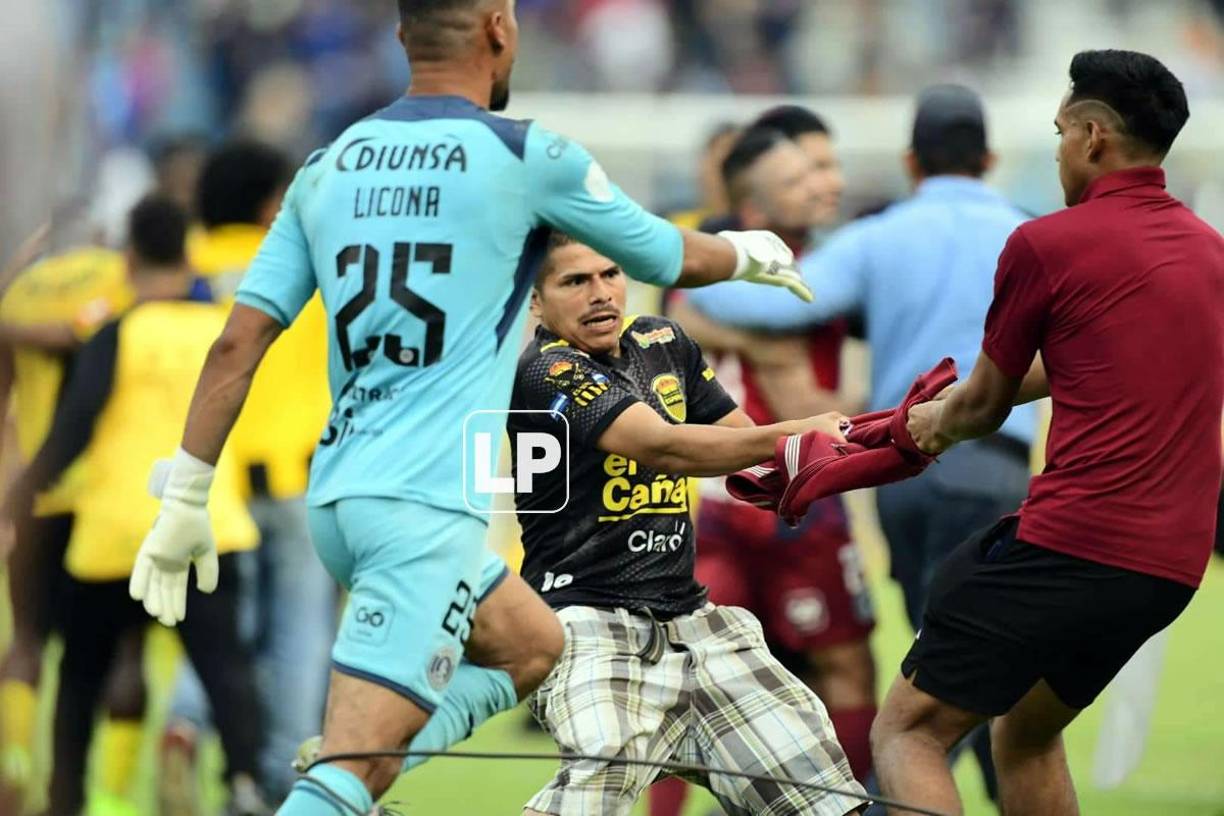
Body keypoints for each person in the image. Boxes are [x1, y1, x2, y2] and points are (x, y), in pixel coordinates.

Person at [125, 2, 812, 813]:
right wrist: (749, 254)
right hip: (420, 509)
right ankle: (345, 778)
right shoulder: (526, 155)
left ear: (400, 39)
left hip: (342, 494)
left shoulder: (327, 165)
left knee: (534, 643)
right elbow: (665, 253)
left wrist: (186, 497)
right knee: (354, 770)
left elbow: (236, 345)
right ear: (497, 29)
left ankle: (359, 765)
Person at [871, 50, 1223, 815]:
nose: (1058, 145)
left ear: (1093, 137)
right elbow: (1096, 361)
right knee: (1024, 735)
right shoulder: (1209, 253)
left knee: (908, 733)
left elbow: (981, 409)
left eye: (1061, 130)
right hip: (1170, 567)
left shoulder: (1047, 244)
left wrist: (927, 424)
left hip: (1074, 544)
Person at [684, 87, 1040, 799]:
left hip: (905, 472)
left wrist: (690, 294)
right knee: (967, 662)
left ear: (911, 161)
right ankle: (907, 799)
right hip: (997, 467)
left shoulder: (880, 238)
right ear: (992, 158)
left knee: (938, 656)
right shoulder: (1030, 234)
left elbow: (765, 296)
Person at [512, 233, 865, 816]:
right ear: (535, 299)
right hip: (587, 629)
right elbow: (665, 448)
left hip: (692, 622)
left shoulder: (662, 340)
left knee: (827, 799)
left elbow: (741, 444)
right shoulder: (547, 370)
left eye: (609, 273)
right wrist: (795, 432)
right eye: (575, 282)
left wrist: (885, 442)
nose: (600, 294)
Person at [1, 196, 270, 816]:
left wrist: (21, 494)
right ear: (189, 254)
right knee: (226, 671)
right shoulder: (222, 331)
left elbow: (75, 427)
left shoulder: (117, 333)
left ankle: (65, 796)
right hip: (209, 527)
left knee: (80, 677)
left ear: (127, 261)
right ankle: (244, 786)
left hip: (114, 533)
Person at [658, 114, 876, 816]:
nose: (821, 185)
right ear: (753, 201)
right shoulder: (706, 261)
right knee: (691, 680)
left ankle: (850, 803)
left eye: (822, 169)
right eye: (801, 175)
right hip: (729, 498)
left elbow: (824, 395)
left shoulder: (836, 263)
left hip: (809, 496)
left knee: (840, 661)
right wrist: (773, 357)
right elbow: (680, 320)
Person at [160, 140, 336, 809]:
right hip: (294, 481)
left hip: (210, 483)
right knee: (298, 636)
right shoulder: (308, 268)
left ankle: (186, 717)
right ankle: (277, 774)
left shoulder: (182, 270)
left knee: (215, 627)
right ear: (272, 202)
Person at [0, 239, 148, 815]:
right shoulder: (119, 280)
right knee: (125, 651)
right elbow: (92, 337)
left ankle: (13, 768)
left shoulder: (21, 294)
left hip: (36, 495)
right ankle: (112, 799)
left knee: (27, 640)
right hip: (108, 494)